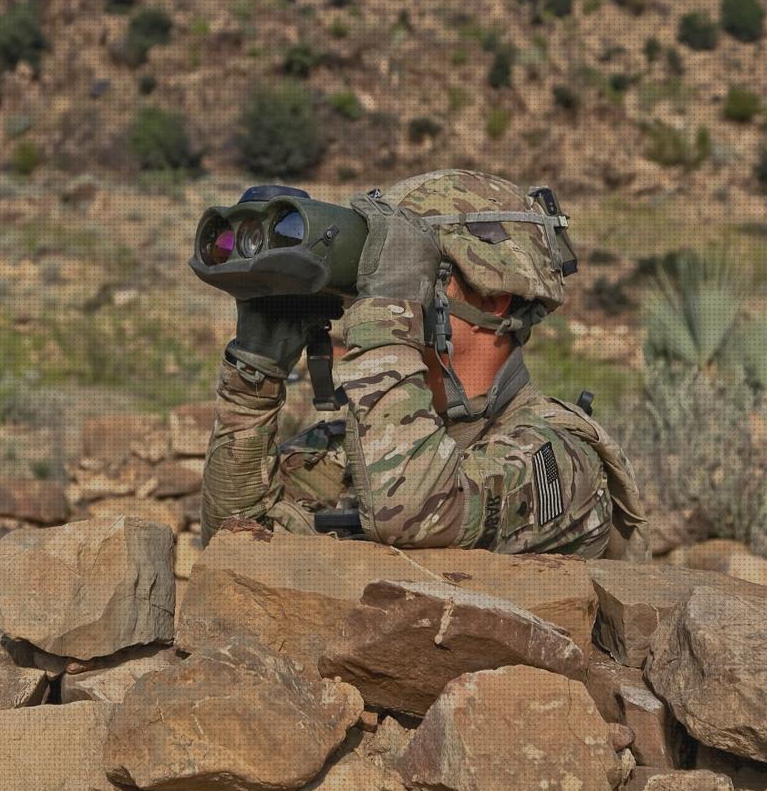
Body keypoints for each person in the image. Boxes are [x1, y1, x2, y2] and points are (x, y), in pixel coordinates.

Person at [200, 169, 648, 559]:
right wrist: (254, 382)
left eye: (412, 269)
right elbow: (234, 546)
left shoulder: (560, 455)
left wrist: (386, 316)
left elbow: (415, 513)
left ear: (494, 298)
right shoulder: (346, 448)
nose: (380, 287)